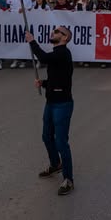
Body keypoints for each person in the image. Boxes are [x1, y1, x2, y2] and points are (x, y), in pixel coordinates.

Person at [25, 26, 75, 196]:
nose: (53, 33)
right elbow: (58, 78)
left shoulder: (62, 53)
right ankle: (55, 164)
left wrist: (32, 42)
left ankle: (68, 179)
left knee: (61, 142)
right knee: (46, 136)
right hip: (51, 102)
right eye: (54, 31)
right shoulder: (58, 54)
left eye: (57, 31)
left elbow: (44, 57)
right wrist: (44, 83)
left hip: (62, 104)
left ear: (65, 37)